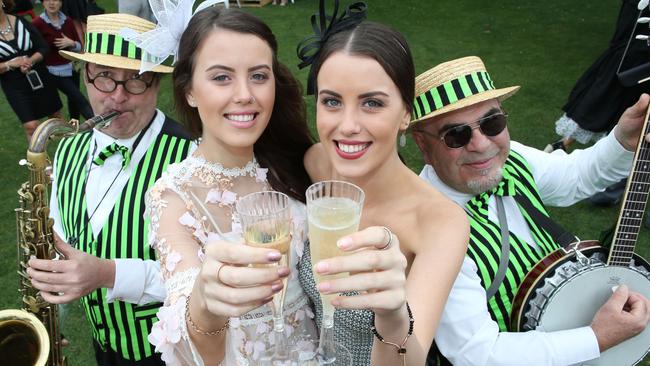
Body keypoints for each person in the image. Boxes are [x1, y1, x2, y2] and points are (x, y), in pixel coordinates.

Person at [409, 55, 650, 366]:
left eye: (492, 123)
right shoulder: (432, 231)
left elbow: (576, 177)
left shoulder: (512, 158)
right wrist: (595, 339)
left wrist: (622, 140)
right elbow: (475, 352)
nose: (482, 145)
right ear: (423, 146)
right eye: (456, 134)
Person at [143, 5, 318, 365]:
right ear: (189, 89)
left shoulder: (295, 162)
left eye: (258, 76)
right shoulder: (174, 197)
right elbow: (197, 354)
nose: (244, 95)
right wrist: (206, 302)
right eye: (222, 77)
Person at [297, 3, 470, 365]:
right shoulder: (317, 164)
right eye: (331, 101)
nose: (346, 125)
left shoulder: (439, 222)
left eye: (371, 103)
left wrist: (393, 318)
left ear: (406, 113)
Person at [26, 13, 194, 366]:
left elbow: (206, 278)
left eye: (135, 81)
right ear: (85, 77)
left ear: (156, 86)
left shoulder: (191, 159)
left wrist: (107, 274)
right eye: (104, 77)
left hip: (175, 348)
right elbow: (60, 228)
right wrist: (54, 273)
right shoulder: (69, 147)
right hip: (105, 343)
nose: (117, 97)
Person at [0, 0, 62, 140]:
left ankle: (67, 156)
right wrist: (10, 64)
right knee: (31, 126)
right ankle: (38, 162)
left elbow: (43, 47)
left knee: (56, 119)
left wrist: (30, 60)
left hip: (39, 77)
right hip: (14, 85)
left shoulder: (21, 22)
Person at [32, 0, 93, 120]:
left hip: (72, 68)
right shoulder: (37, 23)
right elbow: (35, 49)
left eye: (55, 0)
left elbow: (79, 46)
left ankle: (74, 127)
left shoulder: (68, 21)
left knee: (73, 100)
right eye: (47, 0)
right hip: (53, 71)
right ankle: (99, 128)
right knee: (80, 99)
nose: (51, 3)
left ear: (61, 3)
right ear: (43, 3)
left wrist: (71, 43)